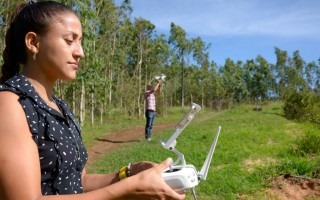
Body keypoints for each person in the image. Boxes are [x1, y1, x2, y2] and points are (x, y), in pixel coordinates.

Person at [0, 1, 185, 199]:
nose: (80, 52)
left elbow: (78, 182)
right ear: (33, 43)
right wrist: (130, 188)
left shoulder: (59, 107)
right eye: (70, 41)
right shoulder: (11, 104)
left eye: (80, 42)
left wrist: (130, 173)